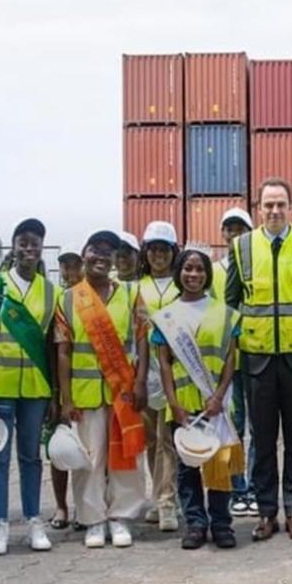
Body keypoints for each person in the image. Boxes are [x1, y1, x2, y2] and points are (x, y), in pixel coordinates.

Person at [226, 177, 292, 541]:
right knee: (263, 441)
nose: (274, 211)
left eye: (280, 204)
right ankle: (267, 513)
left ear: (291, 206)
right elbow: (230, 306)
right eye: (268, 205)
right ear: (258, 208)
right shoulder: (241, 247)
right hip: (256, 360)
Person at [56, 230, 148, 549]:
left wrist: (139, 382)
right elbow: (63, 351)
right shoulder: (68, 297)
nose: (101, 256)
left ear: (114, 259)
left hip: (121, 390)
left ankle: (120, 517)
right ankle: (93, 519)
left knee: (124, 456)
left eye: (108, 252)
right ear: (84, 253)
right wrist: (65, 399)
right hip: (85, 393)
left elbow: (142, 341)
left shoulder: (130, 294)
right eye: (96, 249)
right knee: (90, 459)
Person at [0, 218, 56, 555]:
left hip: (36, 388)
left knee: (31, 457)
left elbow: (52, 344)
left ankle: (35, 520)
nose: (28, 248)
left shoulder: (52, 292)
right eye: (23, 241)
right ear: (13, 246)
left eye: (34, 242)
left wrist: (55, 393)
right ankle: (0, 525)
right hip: (1, 387)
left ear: (40, 249)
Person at [155, 247, 243, 549]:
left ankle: (221, 524)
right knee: (187, 468)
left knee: (219, 464)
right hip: (182, 403)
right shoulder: (166, 316)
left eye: (199, 269)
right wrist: (173, 403)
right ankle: (194, 523)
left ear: (207, 274)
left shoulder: (226, 313)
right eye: (188, 269)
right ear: (179, 273)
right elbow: (163, 361)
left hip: (216, 404)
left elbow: (231, 357)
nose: (193, 275)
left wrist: (218, 396)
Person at [136, 221, 182, 532]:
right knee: (151, 440)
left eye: (163, 249)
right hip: (146, 369)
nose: (158, 255)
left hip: (177, 370)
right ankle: (160, 494)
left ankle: (166, 502)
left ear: (173, 252)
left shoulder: (183, 284)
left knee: (169, 439)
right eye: (152, 249)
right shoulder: (137, 287)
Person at [213, 207, 258, 518]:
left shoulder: (257, 267)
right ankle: (236, 487)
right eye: (228, 229)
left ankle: (254, 488)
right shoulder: (212, 271)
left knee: (258, 428)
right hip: (227, 364)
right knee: (232, 427)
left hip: (255, 358)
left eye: (239, 228)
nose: (233, 234)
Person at [47, 244, 82, 530]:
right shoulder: (58, 299)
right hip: (56, 384)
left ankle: (88, 506)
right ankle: (61, 506)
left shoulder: (93, 299)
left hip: (86, 389)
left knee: (88, 451)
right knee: (57, 450)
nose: (69, 271)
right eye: (65, 266)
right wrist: (56, 395)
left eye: (74, 265)